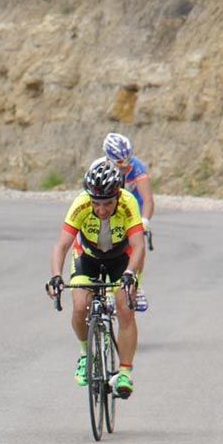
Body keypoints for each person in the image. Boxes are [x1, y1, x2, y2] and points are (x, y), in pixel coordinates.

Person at [46, 158, 145, 398]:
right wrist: (57, 277)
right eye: (96, 204)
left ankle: (124, 372)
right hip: (87, 257)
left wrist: (131, 273)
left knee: (125, 309)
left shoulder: (128, 203)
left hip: (122, 258)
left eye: (108, 204)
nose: (101, 210)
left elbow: (139, 246)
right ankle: (84, 354)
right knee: (80, 307)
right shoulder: (80, 204)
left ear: (117, 197)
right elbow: (61, 245)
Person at [102, 132, 153, 311]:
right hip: (111, 211)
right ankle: (106, 288)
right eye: (120, 163)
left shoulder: (137, 167)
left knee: (138, 246)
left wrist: (145, 220)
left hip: (133, 211)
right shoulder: (100, 168)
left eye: (127, 160)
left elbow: (147, 200)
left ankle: (135, 285)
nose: (125, 166)